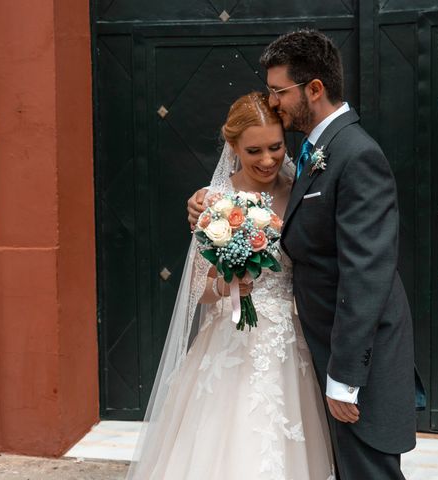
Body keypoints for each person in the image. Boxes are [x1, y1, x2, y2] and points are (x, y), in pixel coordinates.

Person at [188, 30, 425, 480]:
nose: (273, 101)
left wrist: (345, 378)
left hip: (353, 359)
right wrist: (208, 210)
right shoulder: (315, 153)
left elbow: (366, 274)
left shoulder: (354, 155)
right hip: (305, 349)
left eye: (279, 91)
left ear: (313, 88)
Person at [127, 92, 334, 480]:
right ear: (233, 146)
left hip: (290, 339)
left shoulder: (303, 190)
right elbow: (194, 288)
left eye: (275, 147)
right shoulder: (216, 201)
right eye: (254, 150)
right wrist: (229, 284)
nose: (268, 159)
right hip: (230, 337)